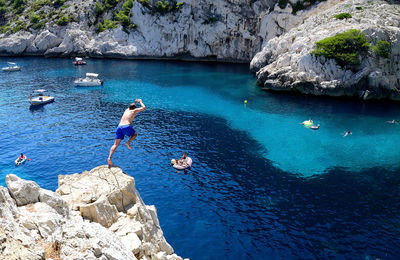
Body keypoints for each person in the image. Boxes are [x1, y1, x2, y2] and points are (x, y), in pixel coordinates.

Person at [108, 99, 146, 166]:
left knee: (115, 144)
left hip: (119, 127)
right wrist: (140, 102)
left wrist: (135, 102)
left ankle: (109, 158)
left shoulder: (126, 110)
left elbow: (132, 106)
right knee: (135, 134)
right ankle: (128, 142)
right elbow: (144, 107)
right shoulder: (134, 110)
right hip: (126, 126)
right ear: (134, 108)